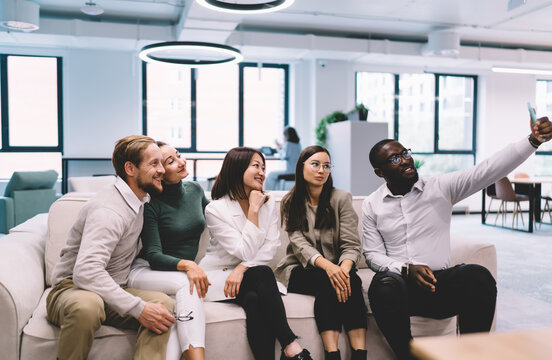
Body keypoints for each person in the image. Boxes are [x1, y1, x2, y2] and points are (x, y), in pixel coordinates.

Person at [362, 116, 552, 360]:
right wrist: (406, 269)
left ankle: (473, 355)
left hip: (439, 286)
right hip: (400, 289)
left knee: (478, 275)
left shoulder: (441, 187)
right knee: (384, 285)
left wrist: (533, 141)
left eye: (405, 153)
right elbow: (372, 254)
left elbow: (488, 169)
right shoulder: (372, 205)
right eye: (395, 158)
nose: (406, 160)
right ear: (380, 172)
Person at [47, 135, 176, 360]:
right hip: (72, 289)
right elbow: (86, 272)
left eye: (161, 163)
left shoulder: (140, 200)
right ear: (130, 169)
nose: (162, 170)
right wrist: (138, 308)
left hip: (110, 291)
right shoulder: (109, 210)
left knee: (161, 304)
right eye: (154, 163)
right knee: (88, 305)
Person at [198, 147, 312, 360]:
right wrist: (253, 211)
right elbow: (244, 250)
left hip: (246, 276)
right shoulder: (216, 209)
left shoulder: (267, 203)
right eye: (256, 166)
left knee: (253, 300)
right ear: (238, 168)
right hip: (219, 274)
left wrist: (242, 268)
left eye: (263, 167)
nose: (262, 172)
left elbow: (271, 246)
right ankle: (291, 346)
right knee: (261, 272)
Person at [276, 145, 368, 360]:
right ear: (301, 167)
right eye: (315, 164)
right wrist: (330, 268)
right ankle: (332, 353)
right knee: (329, 279)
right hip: (300, 269)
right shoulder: (291, 202)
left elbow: (351, 244)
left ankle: (359, 354)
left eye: (326, 166)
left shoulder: (341, 198)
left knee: (349, 280)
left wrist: (342, 270)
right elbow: (299, 244)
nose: (321, 170)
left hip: (337, 267)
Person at [127, 141, 210, 360]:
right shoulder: (150, 203)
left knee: (175, 314)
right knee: (188, 285)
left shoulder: (195, 190)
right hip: (146, 271)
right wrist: (188, 265)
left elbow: (217, 218)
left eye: (179, 155)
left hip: (177, 275)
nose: (181, 162)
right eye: (171, 161)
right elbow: (153, 255)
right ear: (160, 173)